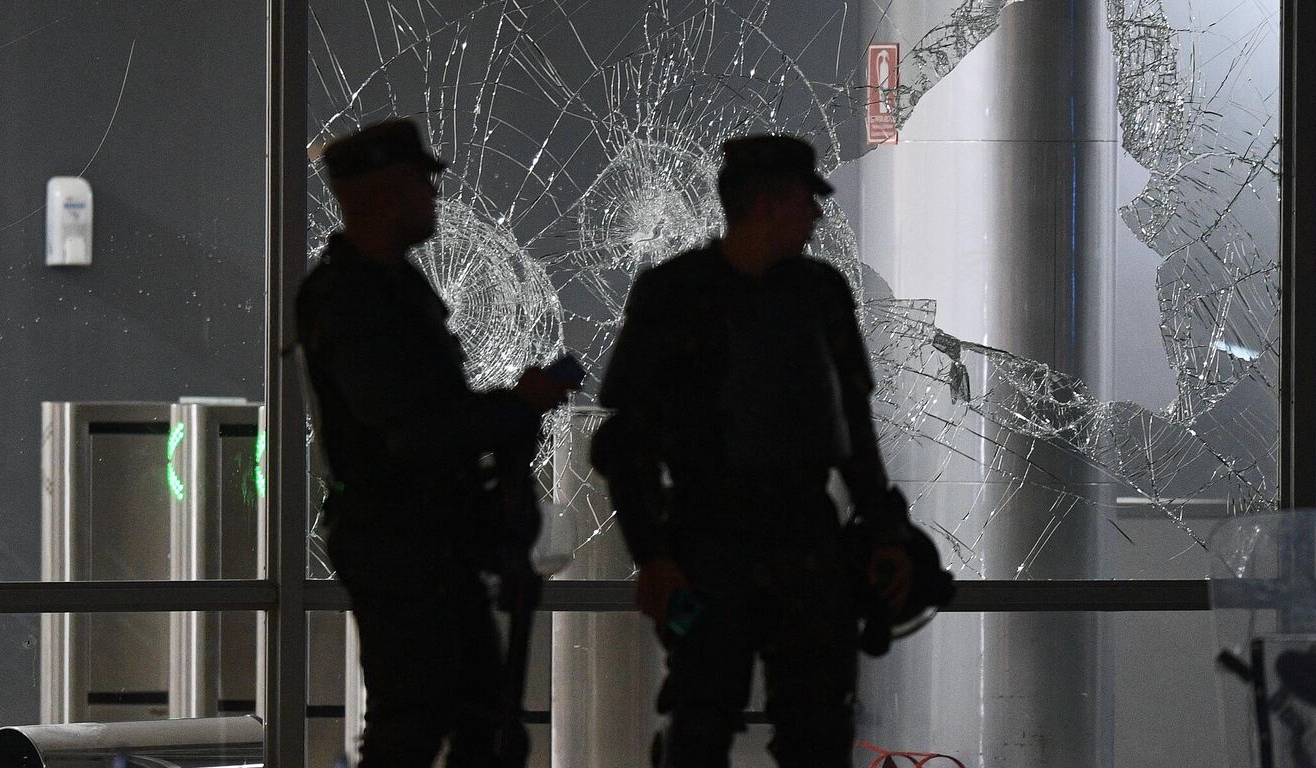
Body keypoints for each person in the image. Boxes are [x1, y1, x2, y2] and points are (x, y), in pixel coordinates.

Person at [593, 134, 915, 768]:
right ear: (770, 204)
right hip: (711, 542)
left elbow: (852, 427)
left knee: (818, 727)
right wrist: (653, 555)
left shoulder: (819, 293)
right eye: (807, 201)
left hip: (801, 539)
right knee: (701, 721)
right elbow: (627, 441)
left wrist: (884, 530)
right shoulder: (675, 294)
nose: (818, 216)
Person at [296, 118, 575, 768]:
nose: (433, 196)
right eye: (421, 182)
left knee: (484, 723)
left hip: (438, 539)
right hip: (397, 543)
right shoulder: (350, 300)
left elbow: (433, 415)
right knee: (412, 727)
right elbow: (411, 431)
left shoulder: (399, 287)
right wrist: (515, 408)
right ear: (382, 195)